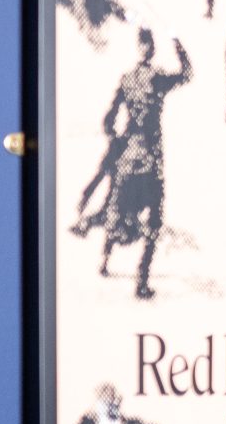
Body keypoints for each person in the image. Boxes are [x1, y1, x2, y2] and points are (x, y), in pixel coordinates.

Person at [72, 28, 190, 298]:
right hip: (150, 157)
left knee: (118, 204)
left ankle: (104, 260)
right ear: (152, 49)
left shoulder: (127, 79)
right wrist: (179, 46)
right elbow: (187, 74)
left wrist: (119, 141)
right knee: (154, 217)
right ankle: (142, 281)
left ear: (138, 47)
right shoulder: (157, 79)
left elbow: (108, 121)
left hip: (128, 155)